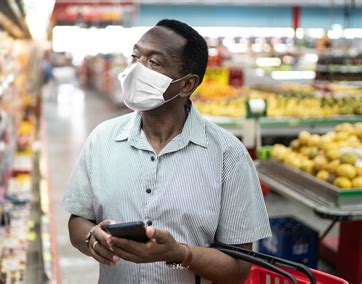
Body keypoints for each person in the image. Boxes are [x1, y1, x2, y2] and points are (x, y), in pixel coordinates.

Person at [63, 19, 271, 283]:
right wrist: (92, 238)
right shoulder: (102, 140)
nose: (137, 69)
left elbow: (239, 270)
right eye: (135, 56)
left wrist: (180, 253)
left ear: (186, 85)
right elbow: (78, 220)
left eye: (154, 62)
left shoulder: (228, 156)